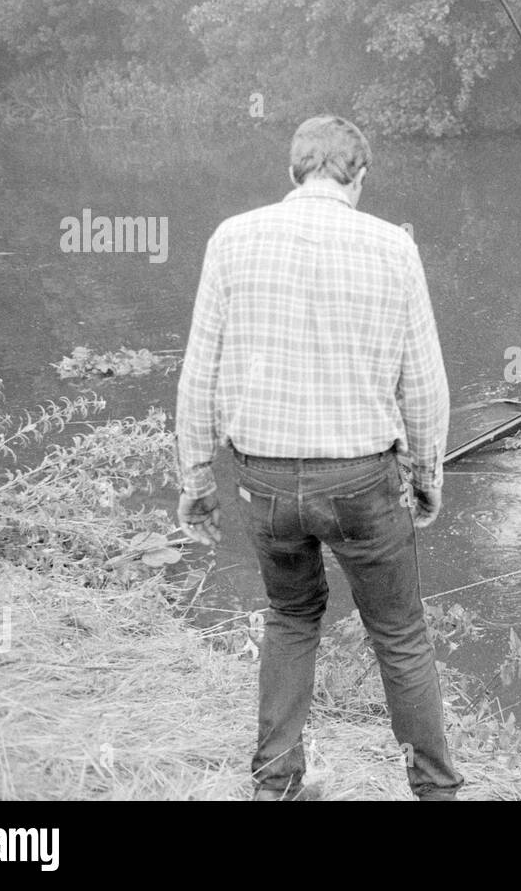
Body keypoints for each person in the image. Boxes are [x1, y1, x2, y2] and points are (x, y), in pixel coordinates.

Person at [175, 115, 463, 801]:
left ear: (293, 173)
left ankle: (275, 783)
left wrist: (194, 477)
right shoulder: (393, 246)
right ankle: (436, 789)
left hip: (263, 479)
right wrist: (427, 476)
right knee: (398, 632)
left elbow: (199, 371)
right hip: (362, 477)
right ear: (359, 176)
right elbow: (423, 380)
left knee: (291, 615)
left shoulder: (231, 238)